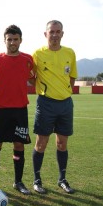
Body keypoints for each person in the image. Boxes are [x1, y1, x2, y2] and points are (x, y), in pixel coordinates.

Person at [0, 25, 35, 195]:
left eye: (15, 39)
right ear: (4, 40)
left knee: (19, 144)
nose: (12, 42)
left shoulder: (28, 60)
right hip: (0, 110)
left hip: (20, 110)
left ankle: (18, 182)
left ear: (20, 40)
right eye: (9, 39)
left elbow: (34, 78)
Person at [32, 20, 77, 194]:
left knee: (62, 143)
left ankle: (62, 179)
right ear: (46, 34)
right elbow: (31, 76)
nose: (55, 35)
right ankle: (37, 180)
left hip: (65, 104)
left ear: (62, 34)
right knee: (41, 143)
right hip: (46, 104)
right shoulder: (37, 54)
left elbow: (71, 77)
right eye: (52, 32)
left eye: (58, 32)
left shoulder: (70, 53)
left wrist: (63, 91)